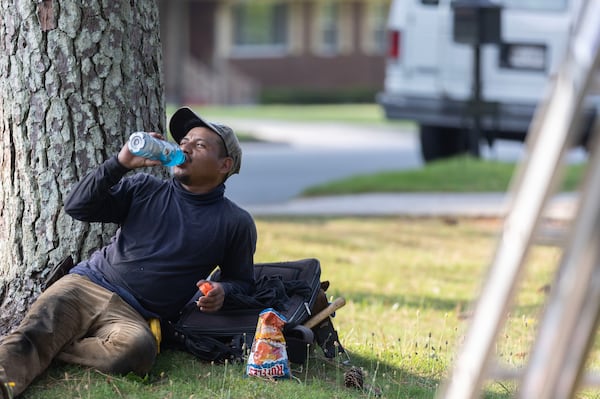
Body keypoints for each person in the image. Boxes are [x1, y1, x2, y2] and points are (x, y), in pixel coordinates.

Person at [0, 107, 257, 398]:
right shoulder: (144, 188)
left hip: (134, 314)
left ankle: (47, 346)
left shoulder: (235, 222)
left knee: (137, 352)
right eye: (183, 141)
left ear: (224, 165)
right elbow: (78, 207)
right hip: (85, 285)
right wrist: (120, 163)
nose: (184, 147)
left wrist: (222, 290)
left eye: (199, 145)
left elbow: (243, 281)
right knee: (35, 330)